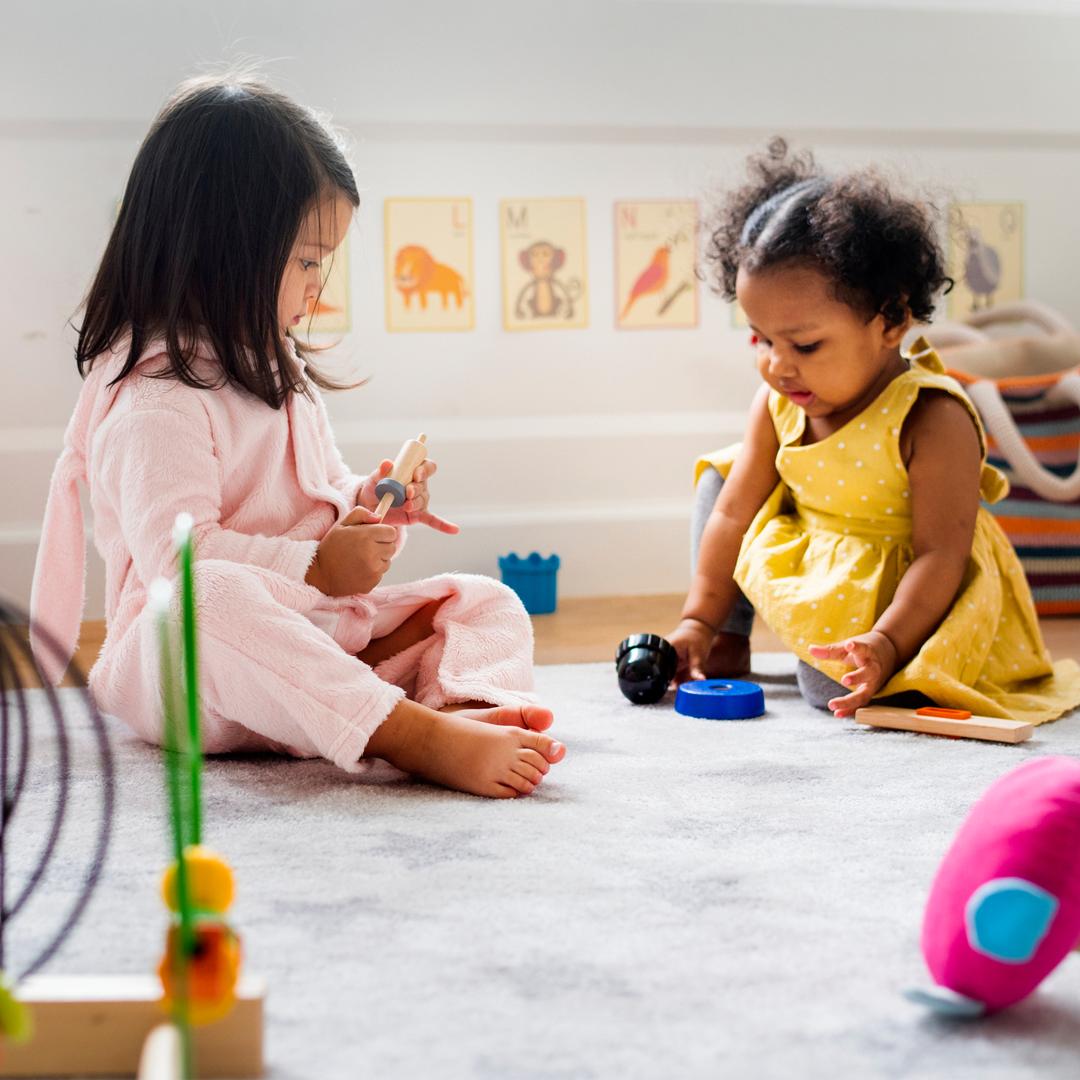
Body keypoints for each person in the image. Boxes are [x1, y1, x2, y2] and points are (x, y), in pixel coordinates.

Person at [30, 74, 564, 797]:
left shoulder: (275, 373)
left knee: (480, 601)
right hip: (195, 675)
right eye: (308, 260)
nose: (317, 286)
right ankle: (411, 734)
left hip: (307, 643)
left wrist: (371, 506)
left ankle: (463, 703)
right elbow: (177, 566)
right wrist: (315, 568)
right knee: (205, 599)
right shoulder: (154, 401)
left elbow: (316, 502)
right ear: (224, 250)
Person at [670, 138, 1080, 724]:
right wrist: (697, 619)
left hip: (905, 584)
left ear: (890, 320)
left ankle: (878, 653)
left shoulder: (933, 418)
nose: (778, 366)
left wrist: (886, 643)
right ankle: (724, 639)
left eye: (805, 345)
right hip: (816, 549)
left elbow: (942, 556)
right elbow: (735, 514)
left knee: (825, 687)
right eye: (762, 340)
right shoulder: (778, 399)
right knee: (719, 479)